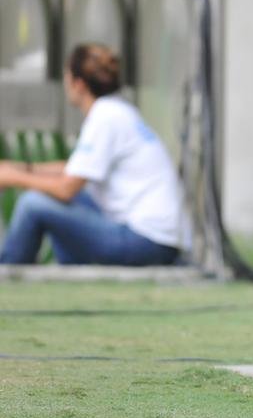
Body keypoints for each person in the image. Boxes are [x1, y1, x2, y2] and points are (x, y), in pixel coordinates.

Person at [0, 43, 185, 266]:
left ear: (78, 84)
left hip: (145, 241)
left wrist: (13, 178)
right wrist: (22, 168)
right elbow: (75, 169)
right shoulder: (118, 111)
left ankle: (8, 273)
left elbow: (66, 188)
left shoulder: (104, 117)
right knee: (51, 197)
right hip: (156, 239)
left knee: (33, 204)